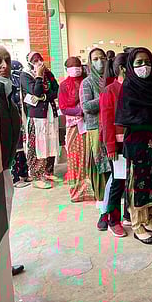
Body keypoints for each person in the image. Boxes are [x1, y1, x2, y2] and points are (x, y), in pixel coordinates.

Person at [116, 47, 152, 244]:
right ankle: (137, 224)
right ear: (130, 65)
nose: (143, 66)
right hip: (138, 144)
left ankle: (149, 219)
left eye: (147, 62)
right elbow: (128, 117)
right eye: (138, 63)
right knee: (138, 184)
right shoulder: (129, 88)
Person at [0, 45, 24, 276]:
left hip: (4, 169)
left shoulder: (6, 94)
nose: (5, 66)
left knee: (2, 224)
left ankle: (2, 264)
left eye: (7, 60)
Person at [100, 53, 130, 237]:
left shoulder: (135, 88)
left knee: (131, 181)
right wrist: (110, 146)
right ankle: (113, 219)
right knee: (118, 183)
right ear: (123, 69)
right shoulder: (110, 90)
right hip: (117, 147)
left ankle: (128, 215)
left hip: (135, 142)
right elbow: (107, 120)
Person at [80, 48, 111, 230]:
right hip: (95, 131)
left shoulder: (110, 80)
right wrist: (106, 98)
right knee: (100, 171)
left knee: (114, 172)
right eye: (96, 59)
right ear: (90, 62)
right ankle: (103, 212)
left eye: (103, 58)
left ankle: (115, 210)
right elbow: (86, 107)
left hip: (112, 130)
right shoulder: (87, 82)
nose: (100, 62)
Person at [21, 51, 59, 189]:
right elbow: (35, 92)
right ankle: (36, 176)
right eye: (34, 60)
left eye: (39, 59)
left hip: (50, 113)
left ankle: (48, 172)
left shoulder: (48, 73)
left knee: (51, 142)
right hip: (37, 117)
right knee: (36, 145)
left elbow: (56, 90)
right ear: (29, 62)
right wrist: (38, 75)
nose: (38, 62)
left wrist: (44, 97)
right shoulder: (25, 76)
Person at [59, 57, 94, 202]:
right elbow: (63, 107)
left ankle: (93, 189)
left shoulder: (88, 81)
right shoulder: (64, 85)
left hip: (90, 124)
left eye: (78, 65)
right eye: (72, 66)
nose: (76, 68)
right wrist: (80, 111)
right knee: (75, 158)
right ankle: (77, 192)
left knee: (90, 156)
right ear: (67, 68)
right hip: (74, 126)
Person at [10, 60, 31, 188]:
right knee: (16, 149)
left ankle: (24, 173)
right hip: (12, 122)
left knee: (22, 148)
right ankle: (16, 178)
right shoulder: (8, 84)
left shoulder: (20, 81)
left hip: (21, 119)